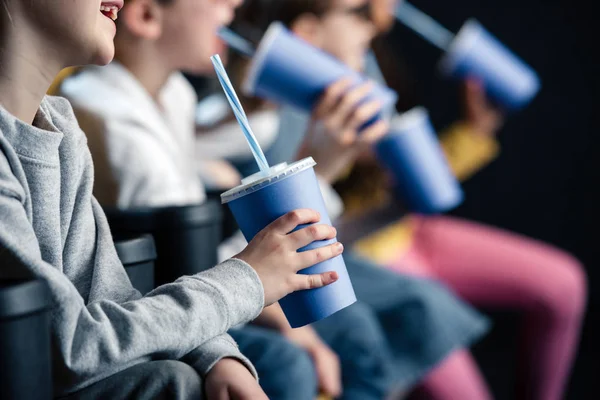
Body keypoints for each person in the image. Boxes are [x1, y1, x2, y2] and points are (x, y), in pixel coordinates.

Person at [59, 0, 490, 399]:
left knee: (379, 320)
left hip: (224, 284)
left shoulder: (175, 95)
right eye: (357, 11)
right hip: (191, 296)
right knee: (325, 345)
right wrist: (318, 171)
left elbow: (196, 191)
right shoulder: (112, 118)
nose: (234, 4)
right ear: (147, 16)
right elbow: (184, 256)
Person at [232, 0, 588, 399]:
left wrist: (473, 133)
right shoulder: (276, 118)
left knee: (563, 284)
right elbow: (305, 230)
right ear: (307, 32)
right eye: (359, 13)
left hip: (398, 230)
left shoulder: (353, 79)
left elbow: (405, 179)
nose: (373, 24)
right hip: (363, 252)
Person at [0, 0, 345, 399]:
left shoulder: (59, 129)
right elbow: (68, 346)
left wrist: (214, 356)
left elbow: (112, 296)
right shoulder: (96, 121)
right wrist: (247, 279)